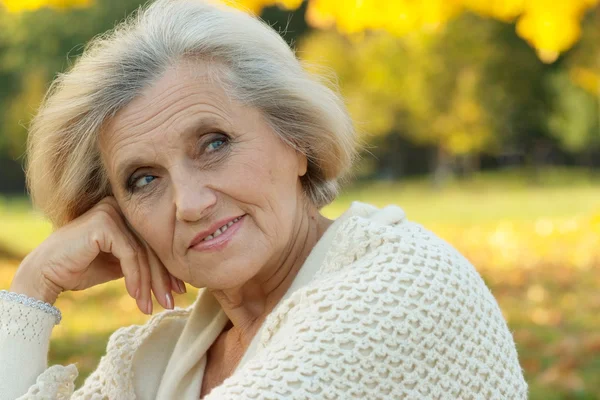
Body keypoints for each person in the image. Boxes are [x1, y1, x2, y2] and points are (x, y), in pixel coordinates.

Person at [0, 0, 528, 399]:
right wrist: (32, 289)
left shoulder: (406, 287)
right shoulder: (155, 358)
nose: (189, 202)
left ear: (296, 139)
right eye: (143, 180)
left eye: (214, 144)